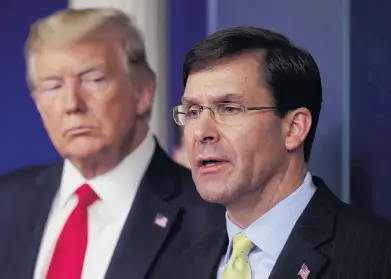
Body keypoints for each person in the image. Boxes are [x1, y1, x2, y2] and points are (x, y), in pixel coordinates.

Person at [158, 26, 391, 279]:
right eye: (192, 112)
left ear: (294, 128)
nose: (201, 132)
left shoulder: (384, 260)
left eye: (229, 109)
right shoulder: (179, 270)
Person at [0, 8, 225, 279]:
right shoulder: (7, 202)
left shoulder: (211, 217)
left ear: (143, 91)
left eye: (93, 80)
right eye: (53, 87)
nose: (72, 104)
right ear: (37, 104)